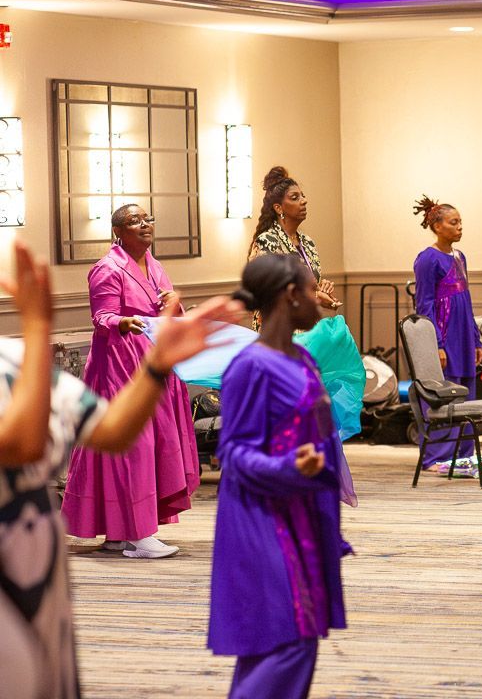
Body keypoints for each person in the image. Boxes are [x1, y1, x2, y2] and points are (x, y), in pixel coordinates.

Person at [0, 240, 240, 699]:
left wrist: (159, 365)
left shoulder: (13, 360)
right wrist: (36, 325)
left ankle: (125, 530)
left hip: (40, 585)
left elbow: (111, 431)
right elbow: (19, 445)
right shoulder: (25, 353)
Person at [208, 254, 349, 699]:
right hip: (262, 520)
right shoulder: (250, 366)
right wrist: (289, 468)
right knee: (287, 639)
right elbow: (233, 454)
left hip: (301, 515)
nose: (318, 297)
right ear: (290, 295)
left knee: (291, 638)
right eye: (310, 289)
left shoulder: (301, 358)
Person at [61, 204, 200, 558]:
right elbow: (101, 316)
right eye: (134, 221)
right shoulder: (107, 268)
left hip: (152, 363)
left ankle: (119, 533)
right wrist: (121, 322)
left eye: (148, 219)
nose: (145, 224)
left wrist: (176, 303)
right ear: (118, 232)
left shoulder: (155, 266)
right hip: (119, 367)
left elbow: (167, 313)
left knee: (151, 444)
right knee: (133, 445)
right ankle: (138, 535)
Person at [411, 195, 482, 469]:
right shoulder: (427, 259)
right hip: (444, 332)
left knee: (466, 390)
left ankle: (463, 452)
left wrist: (475, 339)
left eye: (460, 222)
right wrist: (436, 344)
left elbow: (467, 300)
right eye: (454, 222)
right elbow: (424, 304)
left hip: (463, 332)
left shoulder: (460, 257)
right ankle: (438, 455)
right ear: (437, 226)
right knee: (445, 391)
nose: (460, 227)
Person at [249, 167, 341, 329]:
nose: (304, 201)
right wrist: (314, 296)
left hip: (307, 329)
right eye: (295, 197)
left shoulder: (307, 243)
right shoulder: (267, 242)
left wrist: (321, 288)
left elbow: (307, 287)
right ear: (278, 208)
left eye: (302, 196)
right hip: (278, 331)